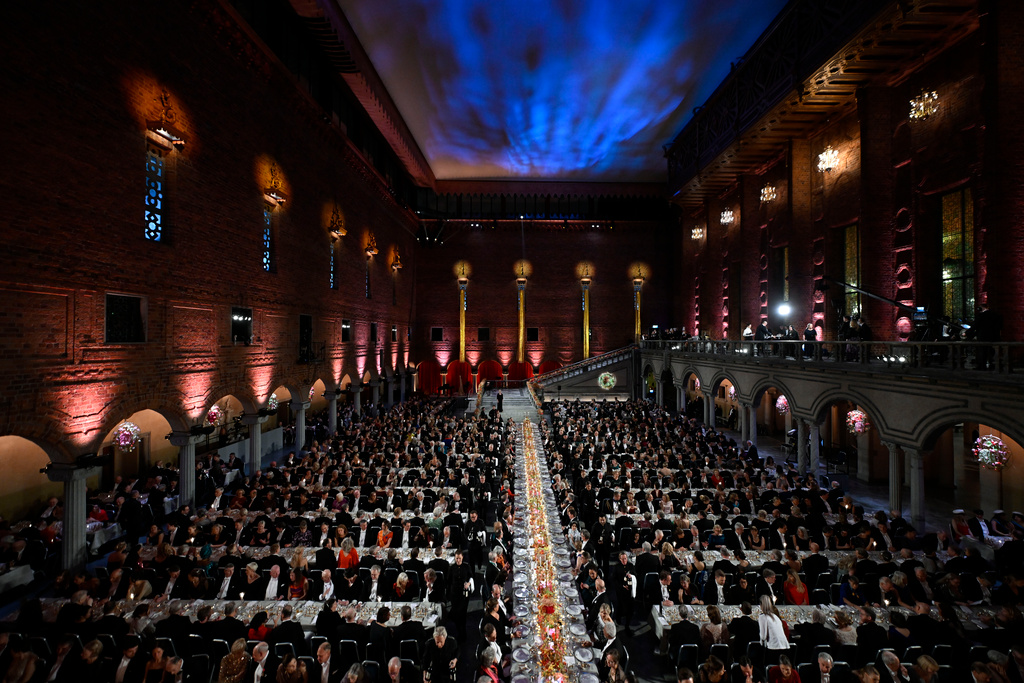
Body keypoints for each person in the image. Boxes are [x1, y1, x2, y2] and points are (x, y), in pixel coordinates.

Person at [757, 596, 790, 663]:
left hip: (774, 648)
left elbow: (763, 636)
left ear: (761, 605)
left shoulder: (762, 617)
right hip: (785, 647)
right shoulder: (775, 616)